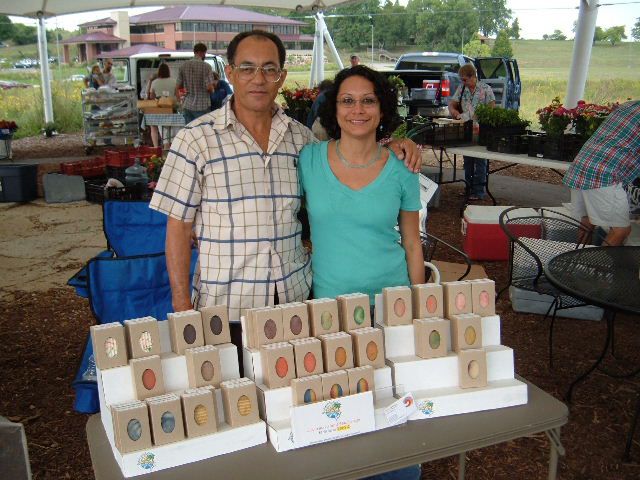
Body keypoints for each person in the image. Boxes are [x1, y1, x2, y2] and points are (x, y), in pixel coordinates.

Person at [150, 30, 421, 368]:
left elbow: (348, 165)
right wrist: (181, 306)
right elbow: (177, 227)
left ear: (281, 77)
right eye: (247, 68)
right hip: (226, 308)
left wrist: (393, 145)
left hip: (294, 305)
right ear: (229, 73)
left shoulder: (300, 141)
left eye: (269, 69)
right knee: (235, 404)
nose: (258, 79)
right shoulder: (195, 140)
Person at [299, 65, 425, 302]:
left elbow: (412, 243)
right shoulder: (309, 161)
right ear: (334, 109)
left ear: (382, 109)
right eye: (347, 100)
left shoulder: (403, 167)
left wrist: (418, 307)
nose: (358, 109)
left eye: (368, 101)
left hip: (392, 302)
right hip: (330, 306)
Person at [563, 100, 640, 246]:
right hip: (604, 174)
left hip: (582, 165)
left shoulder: (632, 105)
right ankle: (600, 269)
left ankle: (577, 264)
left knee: (587, 222)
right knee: (621, 230)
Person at [448, 63, 495, 201]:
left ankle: (479, 191)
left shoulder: (486, 89)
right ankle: (468, 188)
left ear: (473, 77)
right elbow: (452, 103)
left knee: (480, 161)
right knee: (468, 160)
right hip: (466, 129)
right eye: (462, 80)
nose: (463, 82)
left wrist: (482, 118)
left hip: (481, 130)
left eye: (464, 79)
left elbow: (492, 108)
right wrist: (454, 111)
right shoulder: (462, 88)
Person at [176, 42, 214, 124]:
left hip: (187, 106)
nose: (205, 55)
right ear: (201, 52)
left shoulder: (183, 66)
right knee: (203, 132)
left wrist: (182, 98)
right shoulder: (206, 67)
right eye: (205, 53)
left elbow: (179, 86)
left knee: (190, 132)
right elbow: (209, 88)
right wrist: (212, 90)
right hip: (202, 107)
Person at [149, 63, 177, 148]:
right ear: (168, 71)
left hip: (160, 111)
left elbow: (151, 97)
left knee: (157, 128)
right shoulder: (174, 81)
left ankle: (158, 148)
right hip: (172, 110)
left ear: (159, 72)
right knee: (171, 131)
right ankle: (169, 147)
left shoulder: (154, 82)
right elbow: (178, 97)